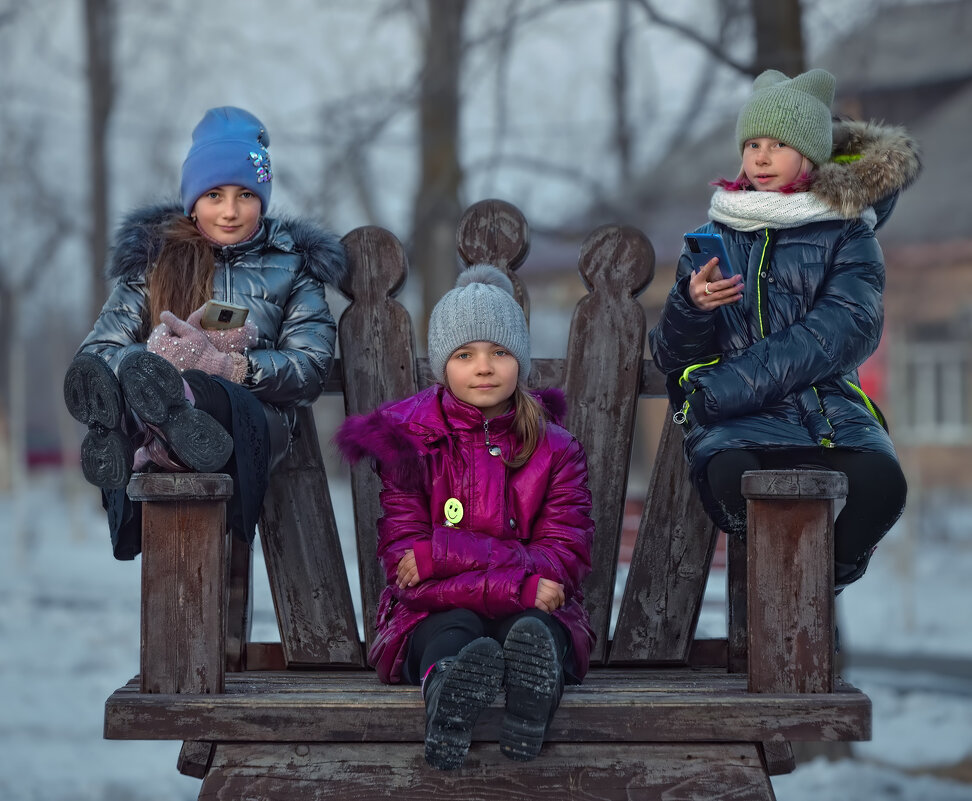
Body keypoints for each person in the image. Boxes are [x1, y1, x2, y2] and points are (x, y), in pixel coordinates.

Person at [649, 68, 921, 595]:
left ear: (812, 155)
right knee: (728, 477)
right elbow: (670, 354)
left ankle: (811, 590)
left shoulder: (848, 234)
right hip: (740, 423)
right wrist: (692, 305)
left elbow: (845, 328)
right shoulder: (712, 236)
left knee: (884, 486)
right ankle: (786, 590)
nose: (762, 157)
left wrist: (723, 389)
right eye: (752, 143)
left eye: (779, 143)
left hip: (823, 410)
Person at [336, 265, 594, 770]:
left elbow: (562, 560)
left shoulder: (556, 450)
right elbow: (407, 569)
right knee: (452, 629)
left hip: (534, 611)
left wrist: (446, 554)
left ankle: (531, 700)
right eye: (465, 354)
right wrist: (516, 582)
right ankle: (447, 693)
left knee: (535, 628)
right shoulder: (408, 444)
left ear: (519, 360)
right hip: (432, 613)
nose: (484, 367)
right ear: (442, 366)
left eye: (500, 352)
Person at [64, 106, 347, 560]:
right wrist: (157, 353)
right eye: (214, 195)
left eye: (245, 195)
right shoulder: (156, 259)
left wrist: (229, 367)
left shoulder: (295, 266)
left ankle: (162, 421)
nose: (231, 211)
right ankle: (152, 429)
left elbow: (309, 367)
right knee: (145, 374)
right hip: (161, 404)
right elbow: (98, 351)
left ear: (263, 197)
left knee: (204, 388)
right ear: (193, 200)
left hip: (255, 420)